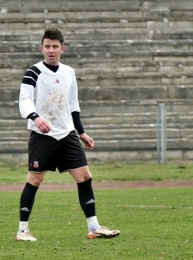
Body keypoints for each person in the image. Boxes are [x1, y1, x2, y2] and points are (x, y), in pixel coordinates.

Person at [16, 28, 120, 241]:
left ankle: (94, 227)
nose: (51, 50)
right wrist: (36, 117)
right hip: (42, 135)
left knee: (84, 177)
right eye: (47, 46)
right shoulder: (33, 72)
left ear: (62, 49)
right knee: (35, 180)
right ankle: (22, 231)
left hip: (67, 134)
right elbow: (24, 100)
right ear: (41, 48)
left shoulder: (69, 72)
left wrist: (81, 132)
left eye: (55, 47)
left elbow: (73, 105)